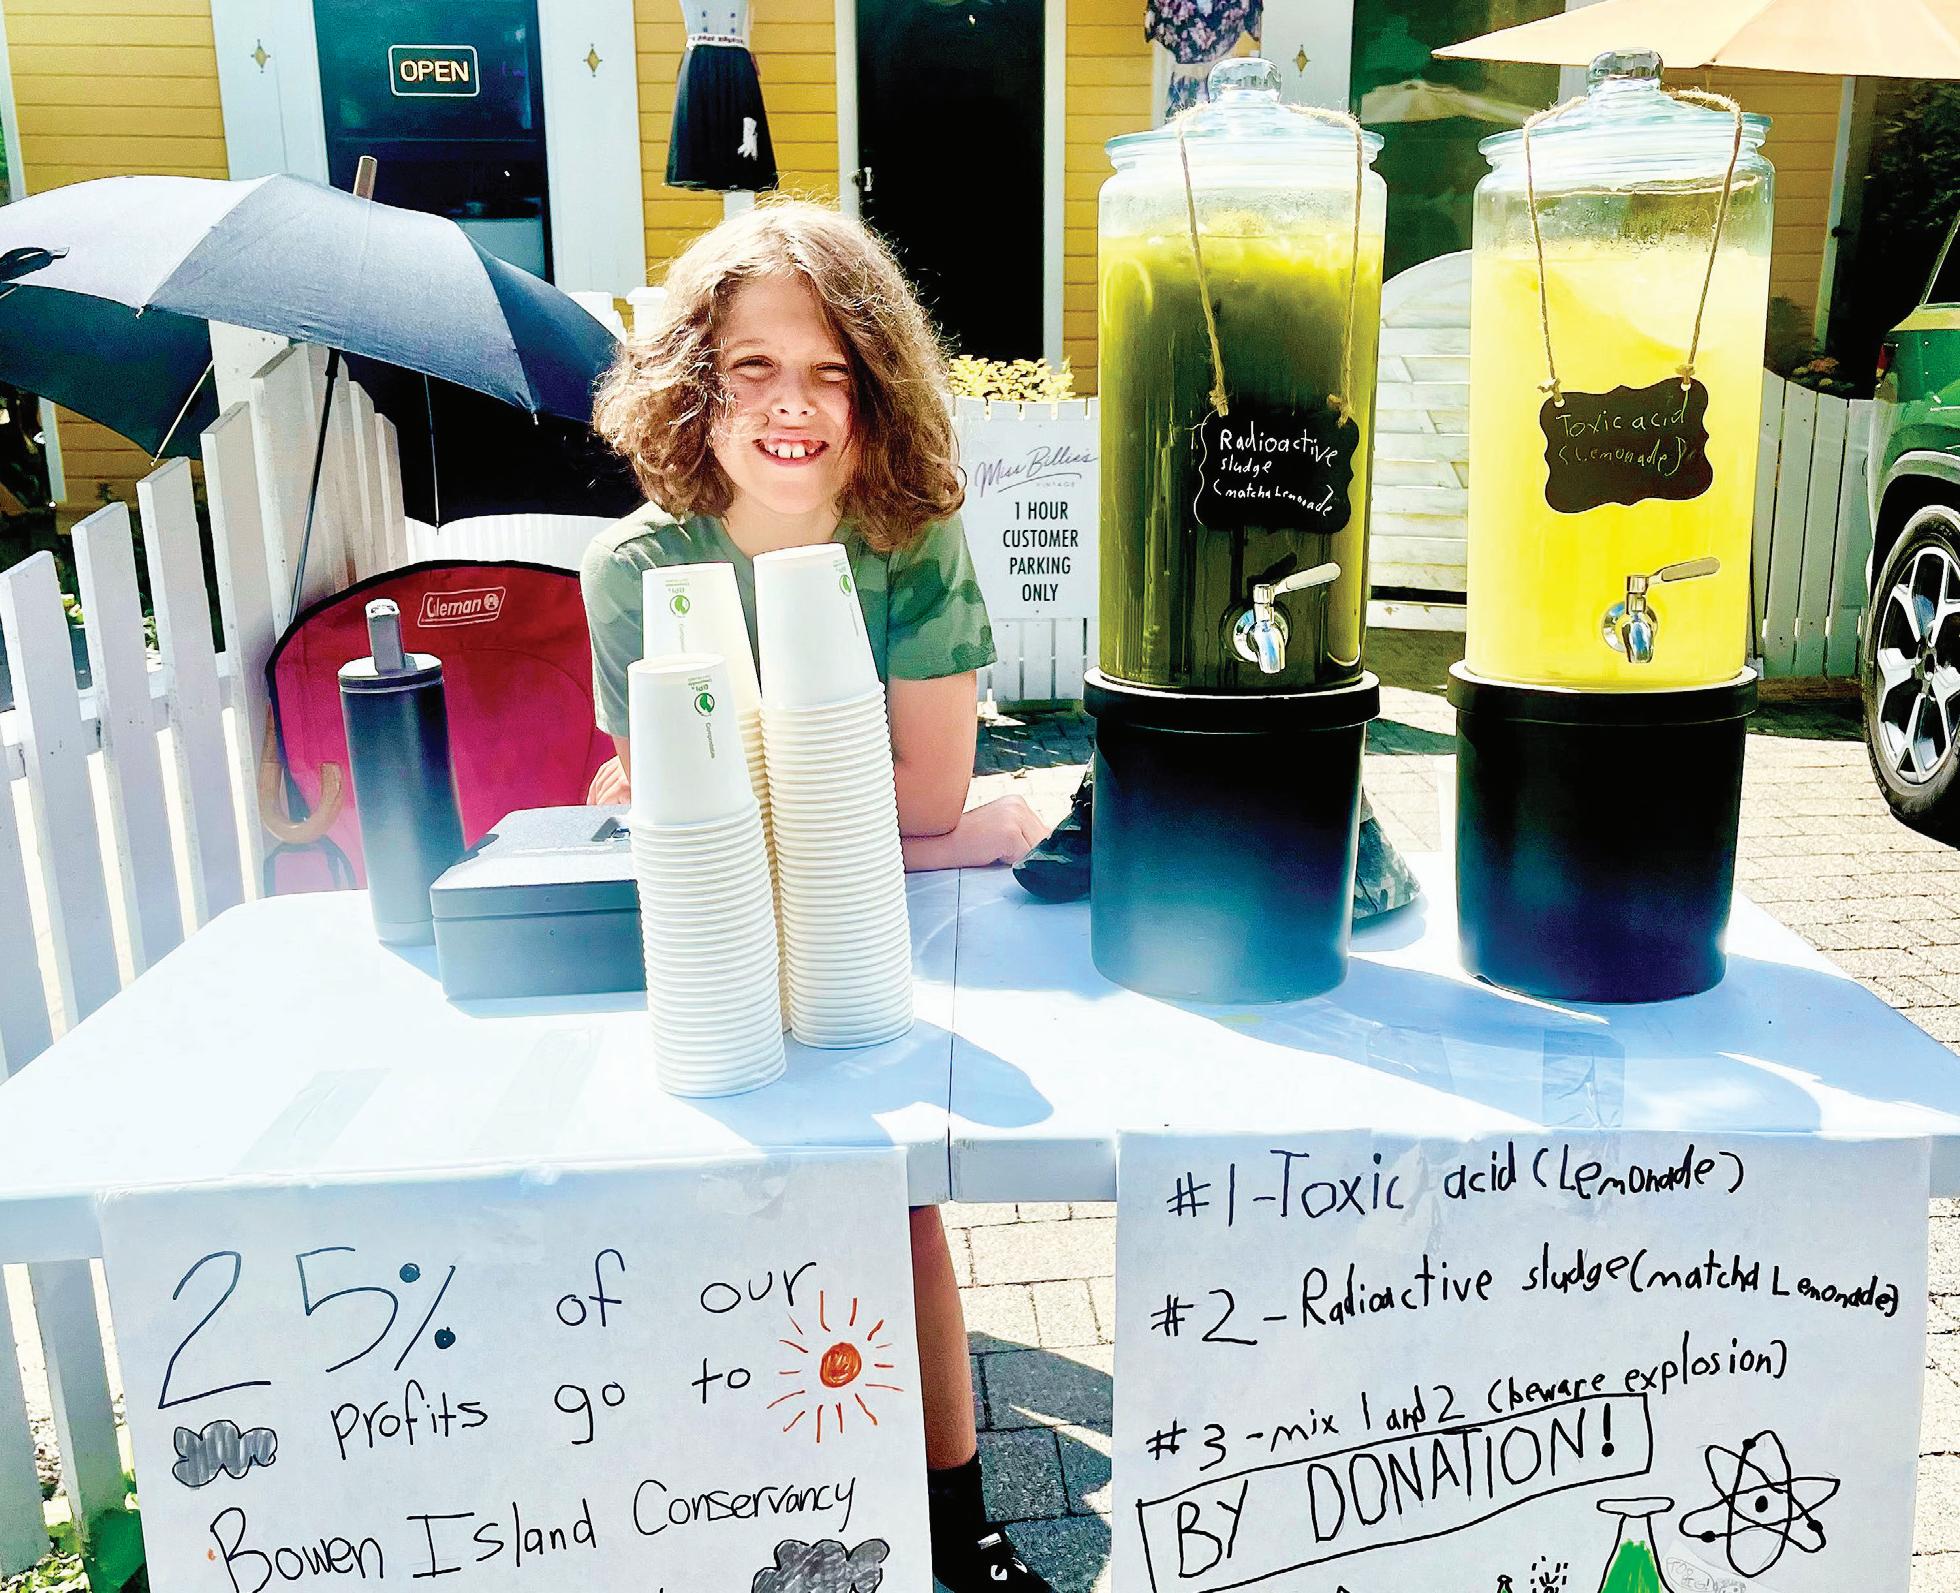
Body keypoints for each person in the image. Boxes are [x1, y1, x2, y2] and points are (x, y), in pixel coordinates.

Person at [579, 199, 1053, 1593]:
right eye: (752, 368)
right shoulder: (637, 573)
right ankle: (735, 1494)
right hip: (710, 956)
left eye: (830, 371)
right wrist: (948, 835)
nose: (793, 405)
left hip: (864, 948)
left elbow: (917, 792)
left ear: (876, 389)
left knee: (895, 1197)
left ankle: (956, 1515)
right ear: (691, 383)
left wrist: (915, 829)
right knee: (718, 1190)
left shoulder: (909, 542)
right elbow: (707, 825)